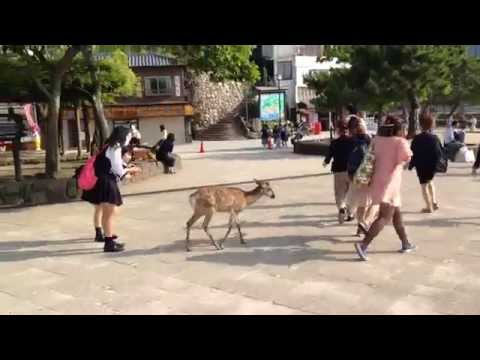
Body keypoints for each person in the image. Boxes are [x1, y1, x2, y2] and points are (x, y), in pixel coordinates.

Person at [354, 115, 416, 261]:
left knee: (396, 215)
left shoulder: (377, 139)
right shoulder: (400, 142)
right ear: (399, 129)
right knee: (384, 217)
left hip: (377, 181)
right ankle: (363, 244)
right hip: (390, 183)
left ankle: (405, 243)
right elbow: (406, 159)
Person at [81, 127, 142, 252]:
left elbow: (114, 167)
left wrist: (127, 169)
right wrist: (131, 169)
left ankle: (109, 238)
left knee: (110, 212)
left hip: (104, 182)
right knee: (109, 214)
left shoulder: (109, 146)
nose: (128, 139)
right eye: (128, 136)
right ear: (123, 137)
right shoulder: (115, 148)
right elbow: (118, 170)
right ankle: (109, 243)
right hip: (107, 183)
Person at [409, 113, 443, 213]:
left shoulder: (416, 138)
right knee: (430, 181)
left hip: (421, 165)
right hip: (432, 165)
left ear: (420, 125)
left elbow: (412, 153)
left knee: (424, 186)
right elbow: (439, 152)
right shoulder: (435, 138)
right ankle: (434, 201)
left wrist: (411, 165)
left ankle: (429, 207)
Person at [324, 119, 355, 224]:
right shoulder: (353, 141)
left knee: (339, 193)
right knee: (351, 193)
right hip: (351, 171)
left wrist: (326, 162)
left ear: (338, 130)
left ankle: (341, 207)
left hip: (338, 170)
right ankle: (350, 213)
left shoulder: (334, 142)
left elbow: (329, 155)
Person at [346, 115, 374, 235]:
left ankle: (360, 224)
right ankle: (363, 224)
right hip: (368, 174)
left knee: (360, 202)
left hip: (354, 174)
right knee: (371, 203)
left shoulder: (349, 141)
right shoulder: (369, 139)